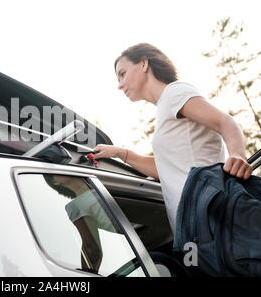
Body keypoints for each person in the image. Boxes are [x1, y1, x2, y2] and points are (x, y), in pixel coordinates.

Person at [93, 43, 252, 234]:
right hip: (194, 226)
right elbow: (166, 169)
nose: (119, 85)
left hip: (212, 216)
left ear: (143, 63)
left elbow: (225, 122)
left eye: (123, 73)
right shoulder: (165, 107)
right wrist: (121, 153)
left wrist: (238, 155)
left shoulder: (174, 93)